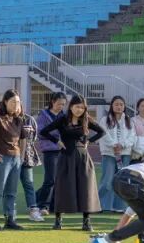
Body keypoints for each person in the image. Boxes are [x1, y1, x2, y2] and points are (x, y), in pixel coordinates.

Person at [38, 94, 104, 231]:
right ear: (71, 106)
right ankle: (58, 221)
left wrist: (89, 141)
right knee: (62, 187)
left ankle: (86, 222)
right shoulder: (62, 119)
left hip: (83, 158)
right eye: (76, 106)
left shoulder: (86, 119)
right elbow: (44, 132)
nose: (79, 109)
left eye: (82, 107)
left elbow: (101, 132)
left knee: (85, 188)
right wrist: (57, 141)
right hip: (65, 157)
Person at [0, 89, 26, 231]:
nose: (16, 105)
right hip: (3, 158)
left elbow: (23, 139)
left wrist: (22, 156)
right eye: (13, 102)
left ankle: (10, 219)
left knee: (12, 191)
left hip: (16, 159)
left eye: (18, 102)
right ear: (5, 102)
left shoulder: (19, 119)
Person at [98, 96, 135, 213]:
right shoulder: (105, 120)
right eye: (116, 104)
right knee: (107, 181)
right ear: (112, 106)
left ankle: (119, 207)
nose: (119, 107)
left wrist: (122, 145)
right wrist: (114, 145)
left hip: (124, 154)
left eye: (121, 105)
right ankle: (102, 205)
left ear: (124, 107)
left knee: (122, 181)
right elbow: (103, 134)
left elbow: (132, 137)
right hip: (109, 154)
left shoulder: (129, 120)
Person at [35, 94, 66, 215]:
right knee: (50, 179)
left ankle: (54, 205)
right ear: (52, 102)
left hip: (63, 150)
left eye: (63, 104)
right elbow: (41, 132)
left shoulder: (64, 116)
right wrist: (56, 138)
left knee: (60, 179)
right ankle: (44, 205)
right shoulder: (43, 115)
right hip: (49, 150)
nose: (61, 106)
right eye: (59, 104)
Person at [19, 110, 43, 222]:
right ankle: (9, 212)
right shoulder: (5, 118)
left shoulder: (29, 119)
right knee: (9, 185)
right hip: (9, 155)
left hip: (26, 157)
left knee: (29, 183)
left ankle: (33, 210)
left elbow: (34, 137)